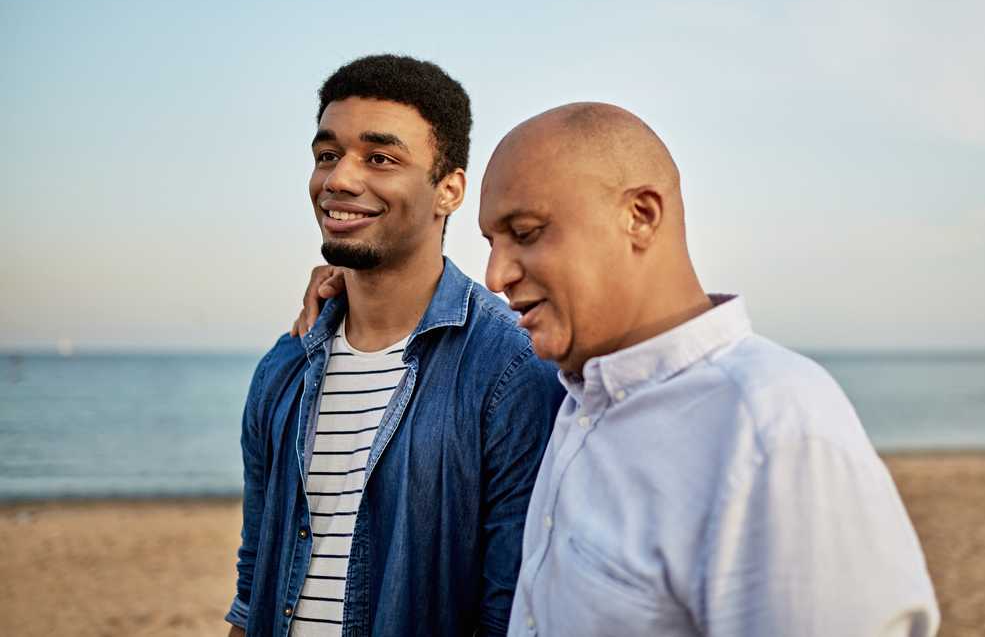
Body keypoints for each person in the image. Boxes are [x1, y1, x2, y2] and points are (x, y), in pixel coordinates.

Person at [298, 102, 940, 635]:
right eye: (492, 243)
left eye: (526, 231)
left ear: (641, 215)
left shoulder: (770, 430)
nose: (497, 275)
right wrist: (353, 287)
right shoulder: (573, 399)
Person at [226, 55, 563, 637]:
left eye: (380, 158)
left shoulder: (510, 370)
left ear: (449, 190)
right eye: (327, 155)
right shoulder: (283, 368)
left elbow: (508, 609)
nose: (339, 180)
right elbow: (254, 583)